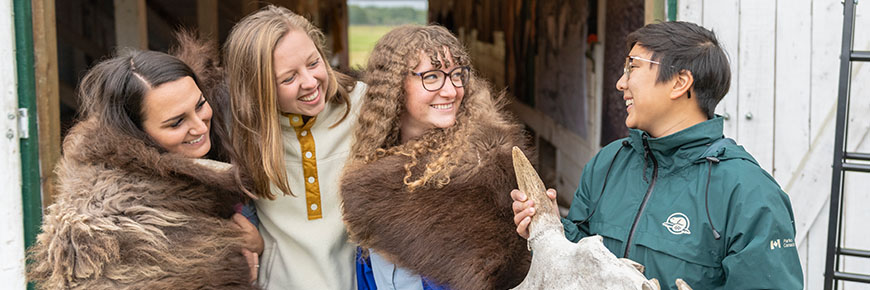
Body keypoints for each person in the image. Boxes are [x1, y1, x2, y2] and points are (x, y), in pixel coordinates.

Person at [511, 21, 803, 290]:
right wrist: (547, 232)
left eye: (632, 67)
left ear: (679, 82)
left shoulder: (749, 194)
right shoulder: (608, 164)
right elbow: (574, 264)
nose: (620, 83)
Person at [27, 36, 260, 289]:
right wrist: (238, 262)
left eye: (200, 105)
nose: (198, 126)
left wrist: (254, 242)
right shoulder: (117, 214)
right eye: (176, 122)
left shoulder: (213, 139)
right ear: (137, 133)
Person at [340, 25, 531, 290]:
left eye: (456, 74)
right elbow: (370, 276)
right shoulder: (369, 173)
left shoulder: (487, 170)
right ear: (394, 85)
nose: (451, 91)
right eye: (431, 77)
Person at [223, 5, 366, 290]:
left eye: (313, 63)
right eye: (288, 78)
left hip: (358, 281)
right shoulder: (243, 132)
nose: (310, 82)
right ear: (257, 89)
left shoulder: (365, 106)